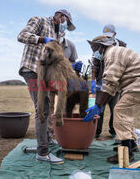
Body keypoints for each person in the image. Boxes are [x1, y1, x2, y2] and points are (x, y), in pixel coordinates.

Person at [84, 35, 140, 163]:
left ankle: (127, 152)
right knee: (126, 114)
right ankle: (132, 144)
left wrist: (98, 105)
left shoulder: (112, 54)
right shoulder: (115, 52)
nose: (93, 52)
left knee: (120, 112)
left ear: (101, 46)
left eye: (94, 48)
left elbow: (110, 82)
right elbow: (113, 86)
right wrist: (100, 105)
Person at [17, 9, 77, 164]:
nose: (65, 27)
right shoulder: (40, 20)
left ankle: (47, 141)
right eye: (66, 22)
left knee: (48, 106)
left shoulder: (57, 36)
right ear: (60, 16)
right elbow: (21, 36)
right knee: (42, 108)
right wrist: (43, 39)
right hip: (31, 69)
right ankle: (42, 153)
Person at [90, 24, 126, 140]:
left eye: (109, 36)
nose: (107, 38)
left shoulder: (122, 45)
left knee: (115, 109)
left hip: (116, 83)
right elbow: (94, 65)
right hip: (102, 82)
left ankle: (114, 131)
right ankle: (96, 131)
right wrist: (93, 81)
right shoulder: (99, 46)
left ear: (115, 34)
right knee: (99, 108)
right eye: (105, 36)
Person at [47, 33, 82, 144]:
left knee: (65, 105)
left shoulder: (70, 45)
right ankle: (49, 134)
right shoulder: (48, 44)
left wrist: (75, 67)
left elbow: (73, 61)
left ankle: (63, 132)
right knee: (48, 104)